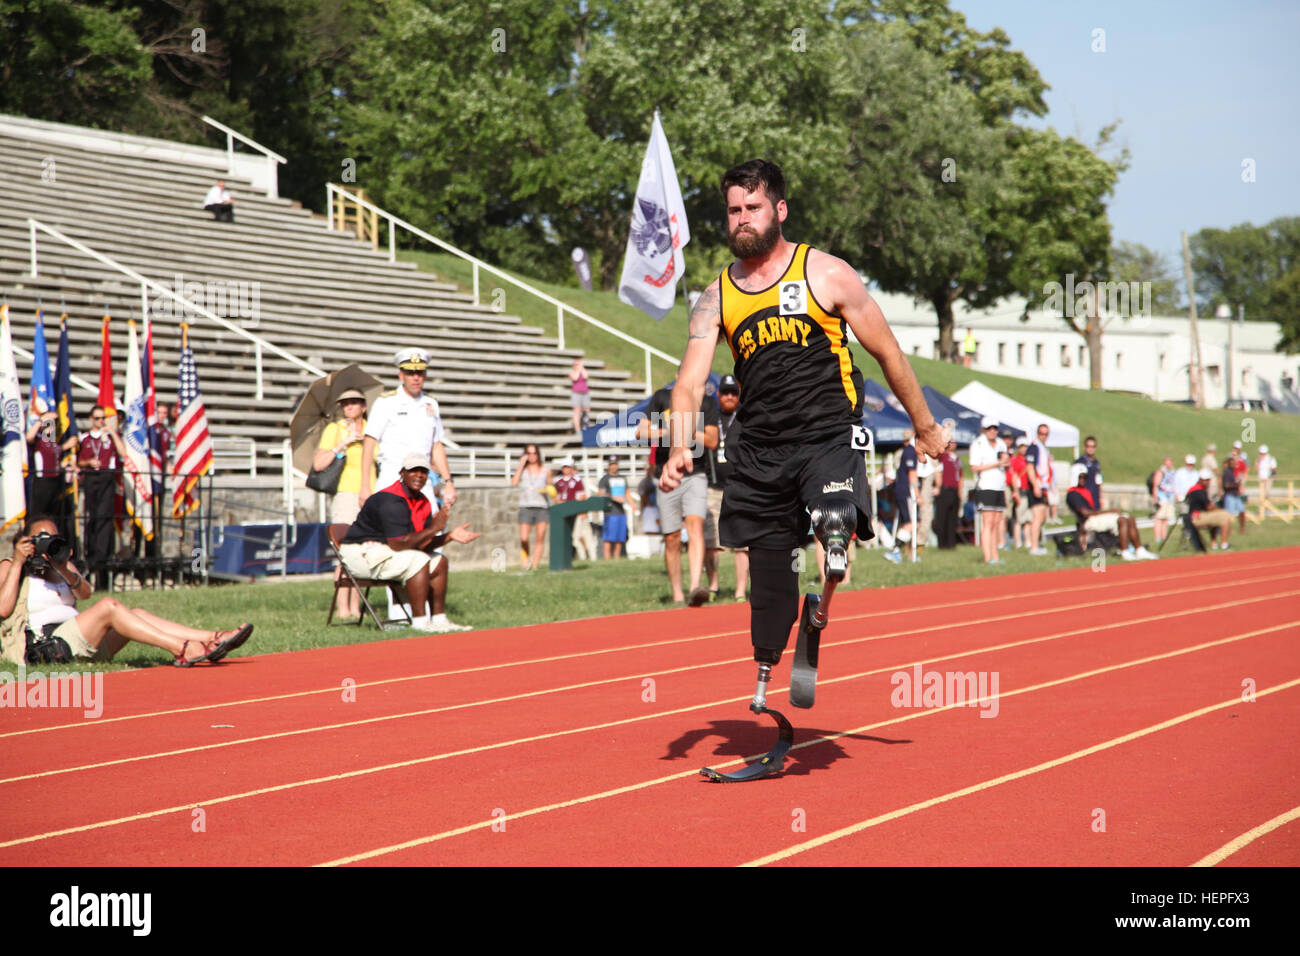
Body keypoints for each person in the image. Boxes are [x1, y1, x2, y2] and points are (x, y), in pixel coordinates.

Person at [660, 159, 946, 681]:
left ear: (780, 210)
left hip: (827, 436)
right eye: (733, 211)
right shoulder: (716, 297)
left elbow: (889, 354)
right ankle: (773, 669)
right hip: (759, 451)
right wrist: (681, 446)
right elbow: (687, 382)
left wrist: (924, 425)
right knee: (770, 602)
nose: (742, 219)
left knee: (834, 521)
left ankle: (825, 601)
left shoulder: (827, 273)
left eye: (753, 208)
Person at [0, 515, 252, 666]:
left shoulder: (61, 564)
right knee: (109, 606)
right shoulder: (11, 566)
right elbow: (3, 608)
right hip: (48, 645)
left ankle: (213, 637)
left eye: (52, 537)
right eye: (40, 538)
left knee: (138, 613)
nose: (47, 543)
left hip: (79, 637)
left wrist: (63, 567)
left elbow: (85, 594)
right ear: (26, 541)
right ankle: (182, 648)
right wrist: (19, 561)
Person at [339, 455, 480, 632]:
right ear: (402, 473)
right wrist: (434, 528)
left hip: (386, 551)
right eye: (414, 470)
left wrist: (449, 536)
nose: (419, 475)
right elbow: (399, 544)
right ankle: (420, 621)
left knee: (439, 562)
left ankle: (439, 619)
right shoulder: (391, 500)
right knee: (418, 560)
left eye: (423, 471)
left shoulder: (423, 501)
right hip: (360, 553)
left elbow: (420, 544)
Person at [639, 382, 719, 606]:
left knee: (695, 526)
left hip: (696, 473)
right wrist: (668, 430)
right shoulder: (662, 397)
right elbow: (641, 431)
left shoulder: (707, 401)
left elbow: (712, 440)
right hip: (668, 472)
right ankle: (677, 593)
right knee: (672, 537)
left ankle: (695, 587)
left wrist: (685, 429)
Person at [360, 347, 455, 508]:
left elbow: (437, 445)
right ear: (401, 375)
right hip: (393, 475)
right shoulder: (386, 402)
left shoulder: (431, 404)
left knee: (428, 529)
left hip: (422, 479)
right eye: (410, 373)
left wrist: (448, 482)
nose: (415, 378)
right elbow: (369, 443)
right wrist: (364, 486)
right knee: (391, 529)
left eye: (420, 373)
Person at [315, 388, 375, 620]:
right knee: (345, 551)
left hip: (372, 494)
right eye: (344, 403)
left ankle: (357, 606)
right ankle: (343, 608)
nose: (348, 407)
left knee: (365, 551)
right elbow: (319, 464)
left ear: (363, 406)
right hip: (347, 494)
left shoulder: (372, 429)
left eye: (354, 403)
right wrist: (344, 443)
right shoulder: (335, 429)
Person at [76, 405, 127, 591]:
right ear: (91, 419)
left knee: (106, 520)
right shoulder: (85, 438)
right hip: (91, 479)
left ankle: (104, 568)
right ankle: (92, 563)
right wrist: (88, 462)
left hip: (106, 478)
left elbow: (123, 453)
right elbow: (78, 461)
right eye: (97, 418)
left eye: (103, 418)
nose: (100, 422)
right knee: (92, 521)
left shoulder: (110, 438)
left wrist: (113, 433)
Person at [1065, 464, 1157, 560]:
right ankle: (1124, 551)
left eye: (1085, 477)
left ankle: (1139, 550)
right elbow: (1085, 513)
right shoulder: (1073, 494)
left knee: (1130, 518)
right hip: (1088, 521)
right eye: (1080, 477)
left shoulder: (1084, 491)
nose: (1083, 480)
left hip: (1094, 518)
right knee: (1121, 520)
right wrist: (1109, 511)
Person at [713, 374, 749, 600]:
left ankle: (739, 591)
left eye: (733, 393)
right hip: (714, 486)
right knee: (712, 542)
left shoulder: (746, 417)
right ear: (718, 394)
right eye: (725, 392)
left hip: (741, 485)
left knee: (742, 544)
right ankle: (713, 587)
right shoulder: (709, 417)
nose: (729, 396)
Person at [26, 409, 77, 543]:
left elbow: (55, 459)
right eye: (49, 423)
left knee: (52, 515)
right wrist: (42, 420)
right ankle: (33, 541)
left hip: (55, 482)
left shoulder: (54, 443)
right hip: (43, 482)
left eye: (53, 423)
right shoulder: (38, 440)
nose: (51, 426)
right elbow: (29, 437)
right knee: (38, 514)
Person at [969, 417, 1008, 565]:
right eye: (989, 428)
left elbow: (1006, 462)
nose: (992, 431)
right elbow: (974, 467)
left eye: (995, 428)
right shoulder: (978, 444)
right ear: (984, 429)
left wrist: (1005, 462)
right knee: (988, 522)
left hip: (999, 485)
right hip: (986, 486)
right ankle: (987, 557)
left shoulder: (1001, 444)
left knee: (997, 522)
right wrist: (996, 463)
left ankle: (995, 555)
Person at [510, 444, 551, 571]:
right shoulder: (523, 470)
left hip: (541, 506)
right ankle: (526, 557)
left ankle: (535, 566)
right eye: (529, 453)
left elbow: (551, 487)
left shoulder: (546, 470)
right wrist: (521, 464)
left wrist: (548, 490)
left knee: (540, 537)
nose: (532, 456)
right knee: (524, 537)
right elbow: (514, 483)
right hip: (525, 506)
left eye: (534, 453)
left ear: (538, 455)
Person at [884, 431, 918, 563]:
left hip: (901, 489)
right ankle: (895, 549)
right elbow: (912, 474)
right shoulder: (910, 451)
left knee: (907, 523)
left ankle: (908, 553)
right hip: (906, 491)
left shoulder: (903, 451)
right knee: (912, 522)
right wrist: (917, 493)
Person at [553, 456, 595, 561]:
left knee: (581, 536)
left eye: (568, 467)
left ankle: (588, 557)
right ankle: (578, 557)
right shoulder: (558, 481)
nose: (566, 469)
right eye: (564, 467)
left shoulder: (577, 480)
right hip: (564, 513)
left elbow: (582, 497)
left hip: (576, 513)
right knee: (572, 538)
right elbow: (556, 497)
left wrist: (582, 511)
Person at [1186, 468, 1232, 550]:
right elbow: (1209, 507)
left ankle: (1214, 543)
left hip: (1194, 516)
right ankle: (1224, 543)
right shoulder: (1199, 491)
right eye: (1206, 480)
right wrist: (1220, 509)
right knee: (1224, 516)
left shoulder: (1193, 489)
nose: (1208, 482)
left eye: (1208, 480)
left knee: (1215, 517)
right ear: (1201, 480)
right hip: (1197, 517)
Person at [1024, 423, 1053, 555]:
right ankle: (1033, 546)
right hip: (1037, 485)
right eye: (1041, 433)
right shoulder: (1034, 447)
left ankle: (1037, 543)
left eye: (1046, 434)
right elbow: (1030, 467)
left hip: (1044, 486)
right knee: (1037, 517)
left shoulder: (1043, 448)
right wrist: (1035, 485)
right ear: (1037, 433)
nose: (1044, 436)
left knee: (1042, 517)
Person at [598, 457, 629, 559]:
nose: (613, 466)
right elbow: (600, 494)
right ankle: (607, 559)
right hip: (610, 512)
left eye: (615, 464)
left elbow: (627, 492)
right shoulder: (604, 479)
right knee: (608, 537)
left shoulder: (622, 478)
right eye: (611, 464)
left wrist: (632, 504)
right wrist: (614, 498)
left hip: (621, 512)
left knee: (619, 537)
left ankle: (616, 558)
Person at [934, 439, 962, 549]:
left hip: (954, 490)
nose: (953, 444)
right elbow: (938, 471)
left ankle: (951, 543)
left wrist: (960, 490)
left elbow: (960, 476)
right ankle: (942, 544)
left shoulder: (957, 459)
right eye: (950, 442)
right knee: (942, 518)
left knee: (952, 518)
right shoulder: (942, 456)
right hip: (944, 489)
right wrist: (938, 486)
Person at [1152, 456, 1176, 546]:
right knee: (1159, 518)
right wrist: (1155, 499)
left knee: (1166, 519)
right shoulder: (1161, 472)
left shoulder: (1172, 472)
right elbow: (1156, 485)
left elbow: (1173, 485)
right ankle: (1158, 537)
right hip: (1161, 498)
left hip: (1170, 498)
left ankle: (1164, 537)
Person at [1073, 436, 1103, 509]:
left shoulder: (1096, 463)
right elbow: (1074, 482)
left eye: (1093, 446)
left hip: (1094, 495)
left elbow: (1099, 481)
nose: (1090, 449)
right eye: (1088, 446)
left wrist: (1100, 498)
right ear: (1084, 447)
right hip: (1084, 496)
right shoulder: (1080, 462)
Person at [1220, 450, 1246, 533]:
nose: (1234, 463)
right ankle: (1227, 530)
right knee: (1228, 515)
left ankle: (1242, 528)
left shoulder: (1232, 472)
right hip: (1229, 496)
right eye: (1231, 462)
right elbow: (1226, 485)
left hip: (1235, 495)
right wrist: (1236, 485)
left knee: (1242, 511)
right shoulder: (1226, 472)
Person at [570, 358, 590, 434]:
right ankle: (577, 430)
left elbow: (586, 376)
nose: (578, 366)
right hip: (576, 393)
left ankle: (585, 427)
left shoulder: (583, 371)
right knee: (577, 411)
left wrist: (582, 368)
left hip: (585, 393)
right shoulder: (572, 372)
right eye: (576, 364)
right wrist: (578, 370)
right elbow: (575, 378)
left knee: (586, 411)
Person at [1256, 445, 1278, 512]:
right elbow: (1256, 468)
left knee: (1266, 494)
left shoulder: (1270, 459)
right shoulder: (1259, 459)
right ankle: (1262, 508)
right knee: (1261, 494)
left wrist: (1272, 474)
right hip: (1261, 479)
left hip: (1268, 479)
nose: (1261, 454)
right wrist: (1258, 461)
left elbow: (1274, 469)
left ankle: (1267, 508)